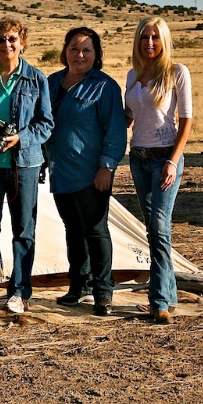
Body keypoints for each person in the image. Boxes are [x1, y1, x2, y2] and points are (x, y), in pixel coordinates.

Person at [0, 17, 53, 314]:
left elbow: (46, 124)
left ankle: (19, 291)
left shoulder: (36, 78)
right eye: (0, 39)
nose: (6, 45)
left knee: (23, 230)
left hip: (25, 165)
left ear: (22, 42)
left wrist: (20, 137)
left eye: (12, 39)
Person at [46, 27, 126, 316]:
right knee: (73, 231)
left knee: (95, 230)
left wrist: (107, 166)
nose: (79, 55)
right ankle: (78, 286)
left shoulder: (104, 87)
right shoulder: (52, 82)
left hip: (92, 173)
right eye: (74, 49)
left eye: (86, 50)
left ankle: (103, 292)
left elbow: (116, 131)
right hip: (60, 172)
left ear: (96, 54)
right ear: (65, 51)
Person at [125, 17, 192, 324]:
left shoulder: (177, 72)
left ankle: (158, 302)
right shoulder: (132, 74)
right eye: (144, 37)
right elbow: (129, 116)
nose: (149, 43)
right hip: (138, 157)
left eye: (155, 37)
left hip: (166, 159)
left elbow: (186, 121)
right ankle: (171, 294)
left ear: (164, 40)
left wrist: (172, 161)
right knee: (155, 230)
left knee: (159, 227)